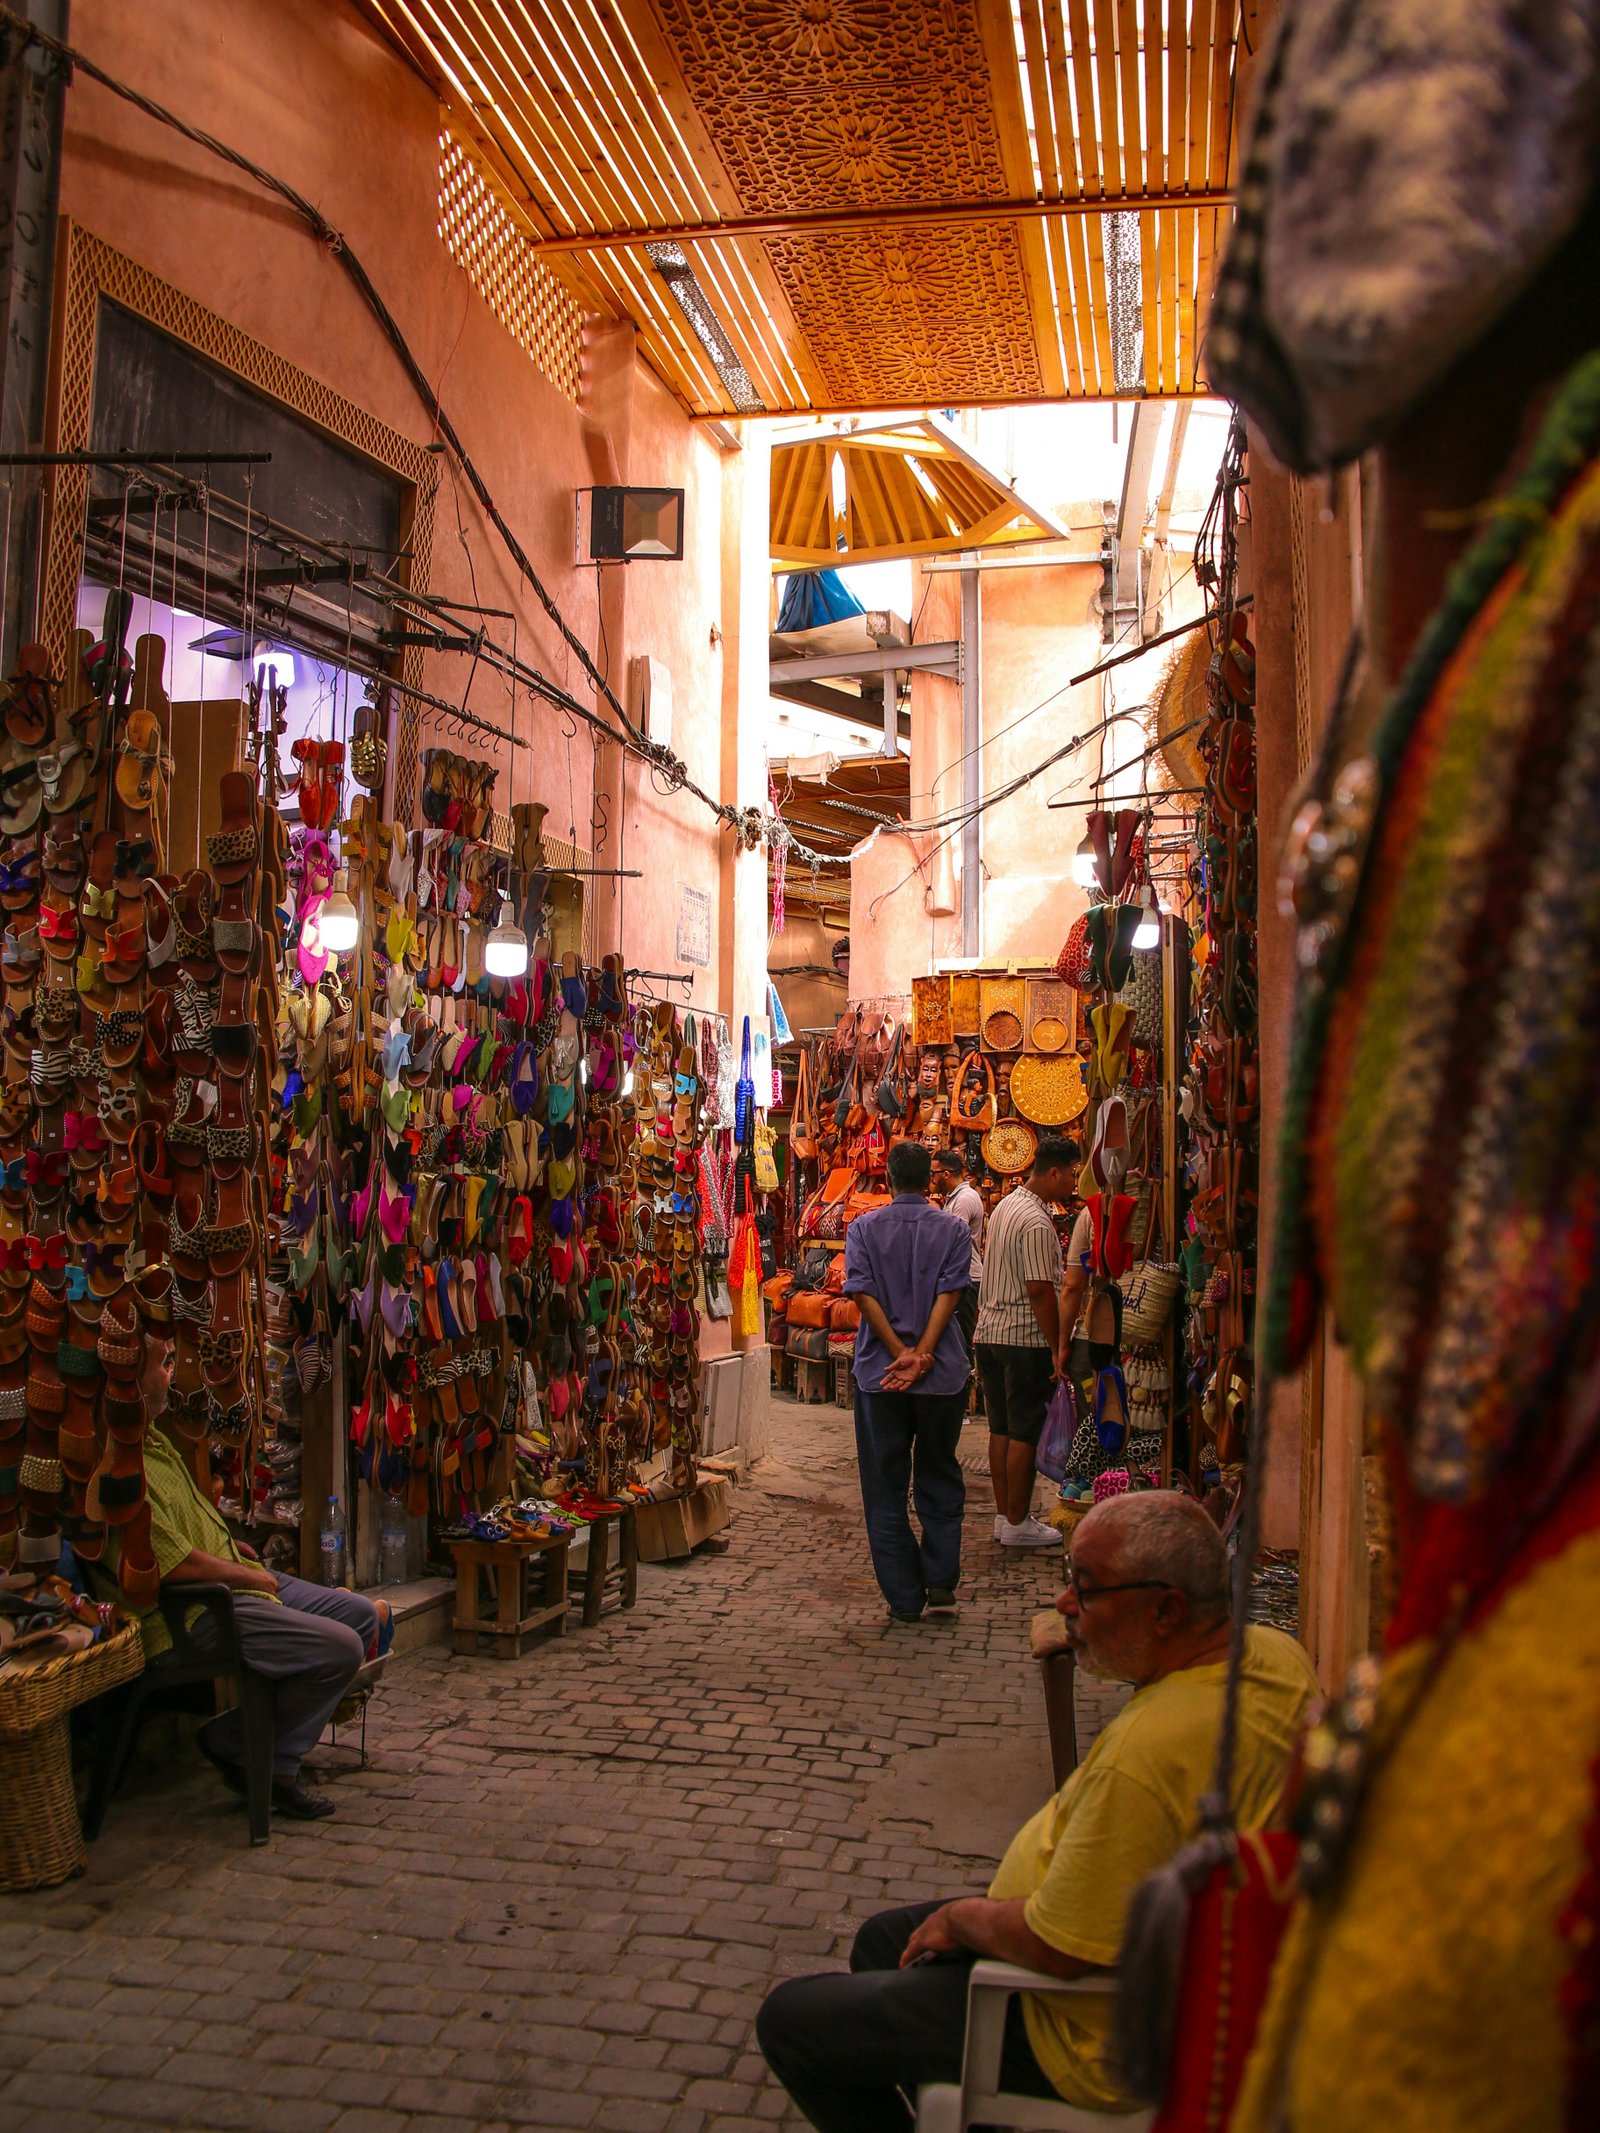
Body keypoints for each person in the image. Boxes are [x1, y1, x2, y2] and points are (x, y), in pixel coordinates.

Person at [757, 1493, 1318, 2129]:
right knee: (883, 1941)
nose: (1064, 1604)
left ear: (1167, 1611)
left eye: (1087, 1588)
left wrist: (967, 1918)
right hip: (1141, 1949)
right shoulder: (1273, 1655)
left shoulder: (1150, 1754)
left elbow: (1061, 1949)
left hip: (1084, 2031)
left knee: (794, 2023)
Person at [101, 1337, 384, 1821]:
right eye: (164, 1365)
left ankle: (238, 1740)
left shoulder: (155, 1440)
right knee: (342, 1649)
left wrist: (234, 1551)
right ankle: (274, 1765)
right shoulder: (121, 1465)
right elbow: (169, 1565)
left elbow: (190, 1531)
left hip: (230, 1578)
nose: (173, 1374)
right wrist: (244, 1576)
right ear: (131, 1381)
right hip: (192, 1613)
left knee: (360, 1617)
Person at [843, 1140, 975, 1623]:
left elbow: (861, 1294)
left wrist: (900, 1353)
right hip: (940, 1377)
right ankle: (940, 1582)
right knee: (939, 1471)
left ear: (889, 1178)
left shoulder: (863, 1228)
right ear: (929, 1180)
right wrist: (922, 1355)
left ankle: (903, 1595)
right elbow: (951, 1293)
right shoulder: (954, 1229)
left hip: (882, 1377)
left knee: (884, 1484)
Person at [972, 1137, 1079, 1548]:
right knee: (1024, 1431)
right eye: (1071, 1174)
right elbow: (1039, 1290)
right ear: (1053, 1173)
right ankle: (1017, 1520)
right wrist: (1058, 1346)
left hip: (991, 1335)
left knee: (1000, 1428)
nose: (1073, 1182)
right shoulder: (1035, 1221)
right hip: (1023, 1338)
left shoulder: (1003, 1208)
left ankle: (1007, 1516)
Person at [931, 1146, 985, 1363]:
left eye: (934, 1174)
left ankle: (964, 1384)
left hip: (966, 1278)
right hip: (961, 1276)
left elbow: (954, 1240)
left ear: (946, 1174)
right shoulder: (956, 1198)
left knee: (961, 1337)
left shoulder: (964, 1199)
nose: (932, 1179)